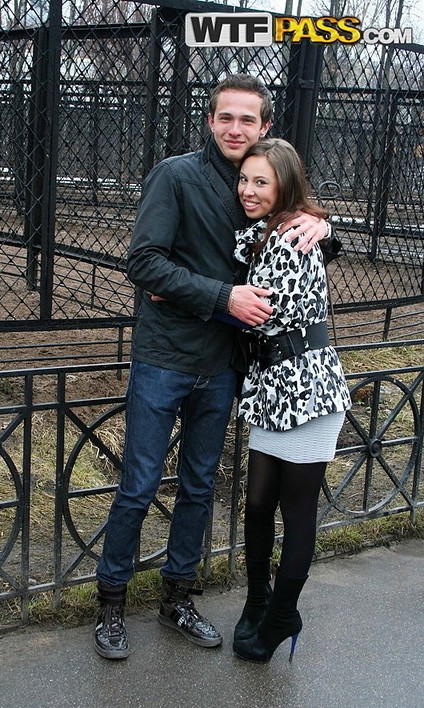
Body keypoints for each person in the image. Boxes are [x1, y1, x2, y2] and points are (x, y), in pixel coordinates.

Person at [94, 74, 331, 660]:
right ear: (209, 120)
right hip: (165, 357)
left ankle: (178, 598)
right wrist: (221, 297)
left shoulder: (262, 185)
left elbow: (296, 230)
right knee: (140, 482)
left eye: (247, 120)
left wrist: (328, 229)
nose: (235, 129)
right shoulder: (175, 176)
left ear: (265, 127)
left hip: (224, 365)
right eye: (226, 117)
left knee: (199, 486)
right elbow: (143, 261)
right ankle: (112, 605)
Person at [231, 138, 352, 664]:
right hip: (271, 384)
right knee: (258, 502)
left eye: (262, 181)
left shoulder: (293, 239)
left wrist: (201, 299)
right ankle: (257, 602)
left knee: (295, 507)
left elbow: (260, 311)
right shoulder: (266, 233)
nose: (249, 190)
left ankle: (282, 614)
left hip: (308, 386)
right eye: (244, 179)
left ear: (285, 185)